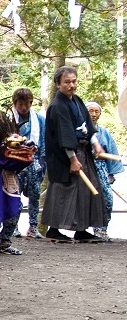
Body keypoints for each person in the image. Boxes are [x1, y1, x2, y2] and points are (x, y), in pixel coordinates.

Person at [41, 66, 105, 243]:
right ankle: (53, 230)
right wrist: (73, 159)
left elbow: (88, 127)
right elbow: (65, 134)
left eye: (74, 81)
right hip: (65, 156)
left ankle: (81, 229)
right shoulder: (57, 106)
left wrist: (96, 144)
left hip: (82, 152)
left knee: (85, 191)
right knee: (62, 191)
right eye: (67, 82)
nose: (72, 85)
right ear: (58, 84)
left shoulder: (77, 100)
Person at [11, 88, 46, 239]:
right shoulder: (9, 118)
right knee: (14, 195)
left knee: (35, 195)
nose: (24, 108)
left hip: (34, 162)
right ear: (15, 104)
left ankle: (33, 227)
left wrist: (43, 162)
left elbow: (43, 141)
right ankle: (13, 226)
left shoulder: (39, 120)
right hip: (14, 163)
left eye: (26, 104)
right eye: (20, 104)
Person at [86, 101, 121, 241]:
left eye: (96, 111)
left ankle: (102, 229)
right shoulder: (81, 130)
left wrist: (110, 174)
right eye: (90, 111)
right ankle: (83, 230)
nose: (93, 114)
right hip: (86, 166)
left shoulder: (104, 132)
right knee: (85, 199)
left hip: (101, 168)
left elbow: (111, 152)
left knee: (106, 198)